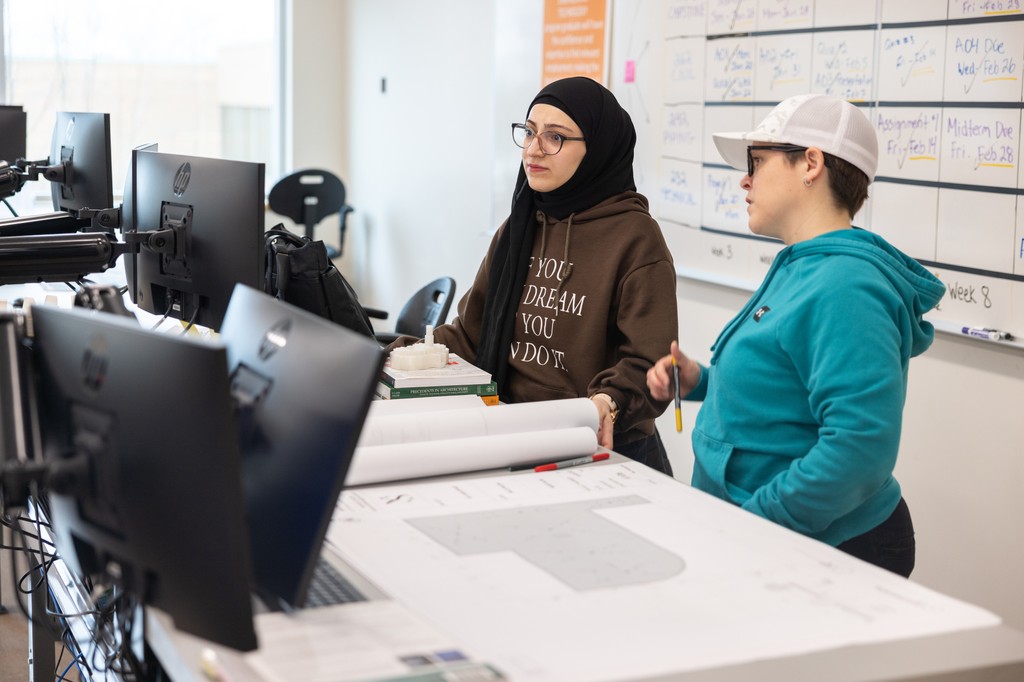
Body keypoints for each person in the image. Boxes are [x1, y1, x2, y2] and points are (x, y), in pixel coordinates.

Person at [646, 94, 944, 576]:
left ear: (810, 164)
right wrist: (701, 380)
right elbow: (785, 387)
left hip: (823, 544)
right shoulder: (806, 265)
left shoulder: (847, 286)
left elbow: (859, 448)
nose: (745, 179)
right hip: (765, 534)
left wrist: (756, 523)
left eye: (758, 162)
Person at [391, 76, 678, 474]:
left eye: (555, 137)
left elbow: (651, 363)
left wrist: (607, 402)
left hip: (603, 447)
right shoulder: (520, 224)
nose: (533, 148)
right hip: (518, 431)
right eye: (528, 132)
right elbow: (471, 336)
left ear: (595, 149)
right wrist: (388, 357)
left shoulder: (635, 238)